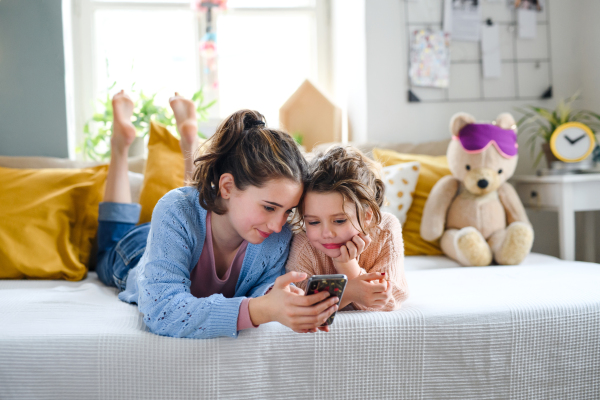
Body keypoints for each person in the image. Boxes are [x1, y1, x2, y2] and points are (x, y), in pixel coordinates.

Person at [96, 90, 339, 339]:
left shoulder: (277, 236)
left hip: (192, 226)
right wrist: (259, 309)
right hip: (137, 251)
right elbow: (161, 311)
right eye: (269, 207)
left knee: (194, 200)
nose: (278, 225)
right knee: (106, 249)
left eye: (288, 211)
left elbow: (262, 295)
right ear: (226, 187)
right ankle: (120, 146)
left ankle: (188, 141)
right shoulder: (175, 210)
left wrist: (284, 302)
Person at [286, 146, 409, 311]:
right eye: (314, 222)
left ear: (367, 216)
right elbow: (298, 303)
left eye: (339, 220)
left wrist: (347, 265)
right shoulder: (304, 241)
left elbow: (389, 301)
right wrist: (350, 291)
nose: (327, 233)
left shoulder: (386, 230)